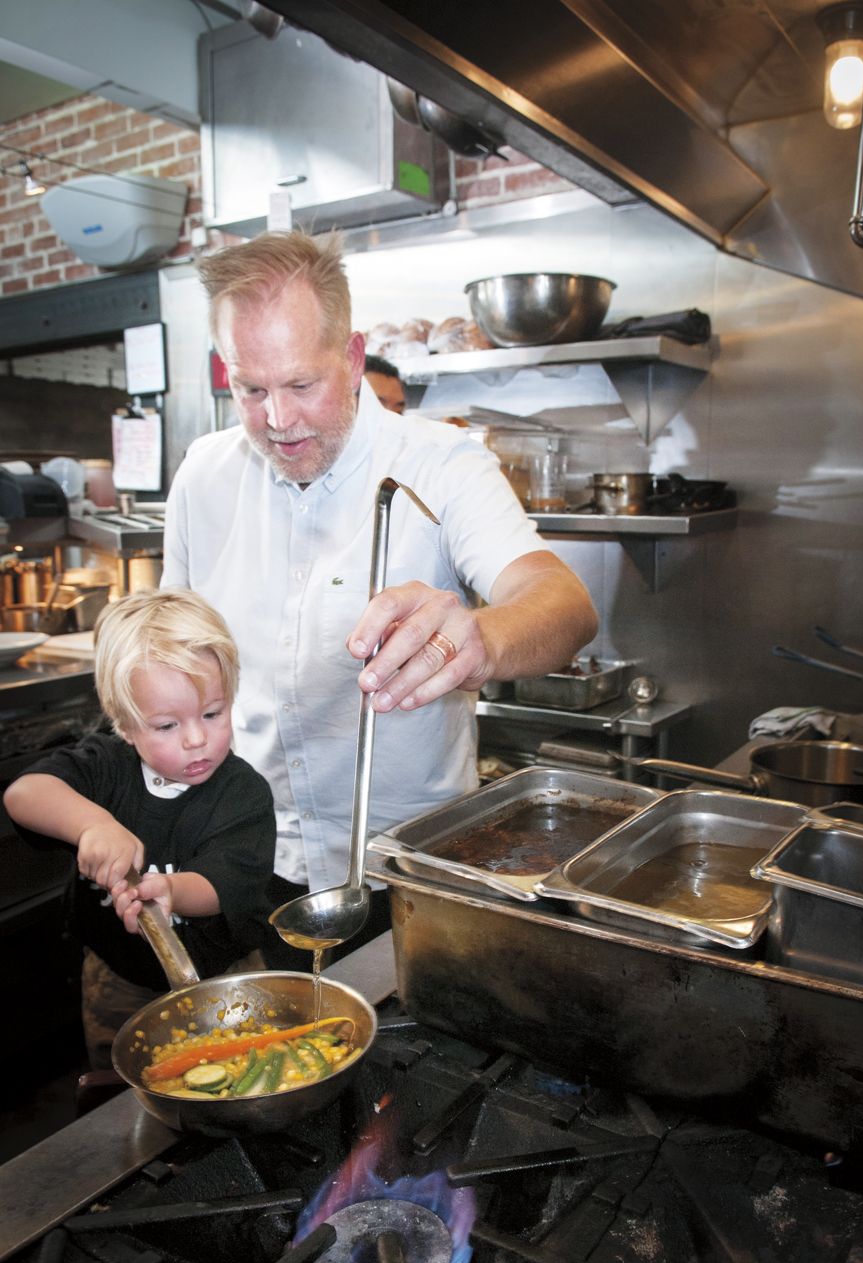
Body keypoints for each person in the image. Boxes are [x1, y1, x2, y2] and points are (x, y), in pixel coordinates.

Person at [162, 231, 597, 954]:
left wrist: (480, 638)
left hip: (413, 873)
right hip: (245, 858)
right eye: (250, 389)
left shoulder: (442, 464)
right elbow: (169, 650)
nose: (278, 419)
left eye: (302, 385)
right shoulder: (203, 476)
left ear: (353, 356)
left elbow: (565, 603)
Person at [3, 589, 276, 1068]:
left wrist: (169, 889)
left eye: (213, 714)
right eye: (167, 726)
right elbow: (22, 795)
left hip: (225, 980)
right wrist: (92, 823)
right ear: (125, 726)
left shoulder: (242, 792)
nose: (197, 739)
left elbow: (224, 883)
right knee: (121, 1086)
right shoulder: (104, 767)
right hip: (118, 981)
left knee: (239, 1072)